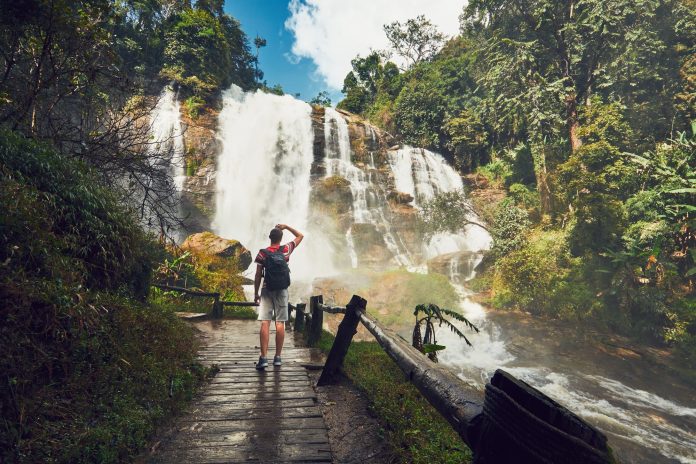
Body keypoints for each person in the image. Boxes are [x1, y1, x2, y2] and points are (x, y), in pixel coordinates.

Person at [253, 223, 303, 369]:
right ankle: (278, 358)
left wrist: (256, 293)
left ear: (270, 238)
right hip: (282, 290)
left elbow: (257, 275)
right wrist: (286, 227)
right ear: (281, 238)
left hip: (267, 289)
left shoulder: (262, 253)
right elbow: (300, 236)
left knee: (265, 323)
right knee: (280, 323)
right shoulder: (286, 250)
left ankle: (263, 358)